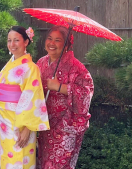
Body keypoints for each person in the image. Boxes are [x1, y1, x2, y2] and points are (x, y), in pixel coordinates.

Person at [36, 25, 94, 169]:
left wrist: (59, 87)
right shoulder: (41, 63)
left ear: (67, 44)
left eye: (58, 40)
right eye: (49, 38)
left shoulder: (77, 67)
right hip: (45, 124)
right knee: (43, 164)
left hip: (66, 126)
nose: (52, 43)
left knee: (58, 165)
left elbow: (86, 92)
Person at [0, 26, 50, 169]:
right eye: (9, 40)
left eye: (16, 40)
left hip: (21, 124)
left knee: (22, 160)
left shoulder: (31, 68)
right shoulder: (8, 65)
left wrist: (28, 128)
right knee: (7, 161)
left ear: (26, 42)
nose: (12, 44)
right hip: (4, 122)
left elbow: (34, 98)